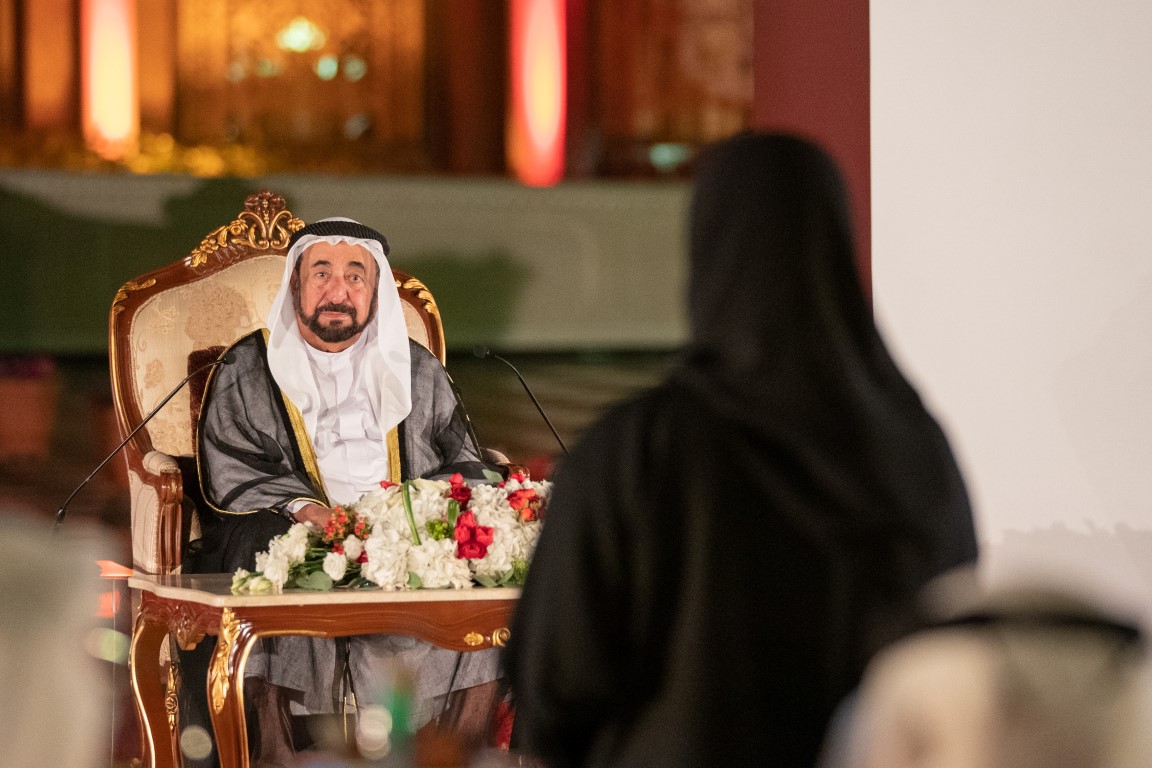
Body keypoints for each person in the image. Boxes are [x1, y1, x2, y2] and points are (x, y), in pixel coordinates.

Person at [503, 133, 979, 768]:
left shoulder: (641, 451)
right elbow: (953, 660)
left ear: (710, 251)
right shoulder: (913, 450)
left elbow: (555, 681)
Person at [181, 217, 501, 766]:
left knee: (484, 555)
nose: (338, 291)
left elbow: (463, 460)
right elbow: (230, 459)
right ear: (296, 284)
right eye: (322, 273)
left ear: (374, 292)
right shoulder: (249, 365)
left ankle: (451, 751)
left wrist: (410, 516)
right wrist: (308, 511)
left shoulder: (418, 370)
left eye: (356, 276)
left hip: (401, 536)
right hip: (294, 526)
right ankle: (276, 754)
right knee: (259, 549)